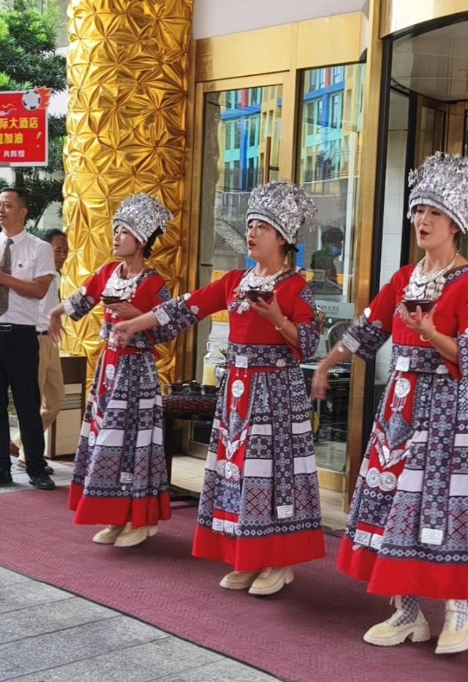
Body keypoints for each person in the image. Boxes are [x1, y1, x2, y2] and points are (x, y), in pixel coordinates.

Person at [312, 153, 468, 654]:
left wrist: (432, 333)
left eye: (433, 213)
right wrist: (327, 365)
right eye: (417, 212)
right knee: (396, 505)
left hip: (440, 410)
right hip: (398, 410)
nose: (422, 221)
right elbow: (366, 330)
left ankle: (459, 610)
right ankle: (409, 612)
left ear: (455, 223)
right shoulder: (403, 279)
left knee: (437, 505)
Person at [114, 180, 325, 595]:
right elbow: (183, 307)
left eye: (260, 227)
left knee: (272, 474)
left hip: (277, 393)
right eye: (249, 225)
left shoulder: (296, 287)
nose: (251, 233)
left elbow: (310, 344)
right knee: (238, 472)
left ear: (282, 237)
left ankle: (277, 561)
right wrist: (132, 324)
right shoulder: (234, 282)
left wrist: (279, 317)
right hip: (238, 391)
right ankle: (247, 556)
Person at [50, 194, 173, 547]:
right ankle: (115, 515)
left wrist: (135, 315)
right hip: (110, 368)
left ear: (142, 239)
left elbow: (167, 330)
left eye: (123, 232)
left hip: (138, 370)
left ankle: (142, 518)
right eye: (115, 230)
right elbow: (81, 298)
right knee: (108, 441)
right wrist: (54, 313)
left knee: (136, 444)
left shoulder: (154, 283)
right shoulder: (107, 272)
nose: (116, 237)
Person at [0, 187, 56, 491]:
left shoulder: (39, 248)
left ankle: (36, 467)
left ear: (23, 212)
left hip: (20, 335)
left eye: (8, 206)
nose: (1, 210)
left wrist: (4, 279)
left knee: (28, 404)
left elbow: (40, 289)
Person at [10, 229, 68, 472]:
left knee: (56, 400)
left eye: (66, 251)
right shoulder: (37, 275)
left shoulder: (56, 276)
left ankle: (17, 441)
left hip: (50, 341)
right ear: (44, 250)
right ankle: (27, 455)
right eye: (58, 250)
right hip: (33, 340)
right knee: (33, 401)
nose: (63, 255)